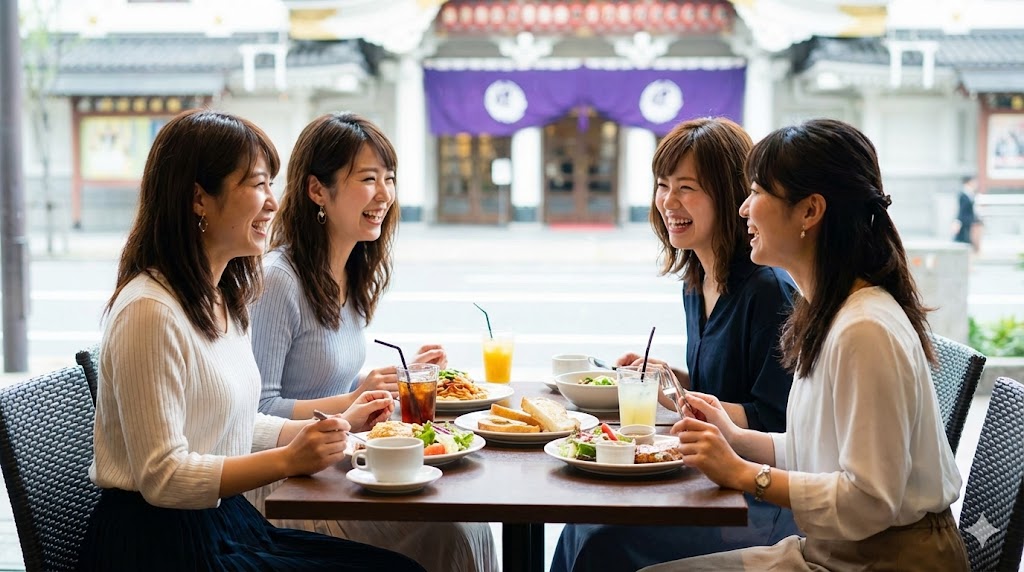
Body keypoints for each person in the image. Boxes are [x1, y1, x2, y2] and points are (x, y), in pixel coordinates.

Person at [79, 109, 423, 571]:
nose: (273, 204)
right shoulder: (150, 310)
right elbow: (163, 477)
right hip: (159, 543)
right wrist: (287, 459)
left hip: (220, 519)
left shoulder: (220, 297)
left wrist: (326, 430)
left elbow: (234, 424)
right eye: (257, 185)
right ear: (199, 198)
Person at [640, 119, 969, 572]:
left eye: (756, 193)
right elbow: (820, 448)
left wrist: (743, 473)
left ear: (810, 212)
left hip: (888, 559)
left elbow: (870, 499)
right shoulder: (830, 311)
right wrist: (737, 438)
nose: (743, 210)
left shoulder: (864, 328)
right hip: (833, 548)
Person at [246, 111, 498, 572]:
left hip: (341, 466)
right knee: (452, 530)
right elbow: (256, 411)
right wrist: (355, 397)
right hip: (289, 488)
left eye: (390, 178)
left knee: (469, 521)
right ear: (317, 190)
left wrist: (395, 379)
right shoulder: (279, 281)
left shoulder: (351, 272)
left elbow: (325, 380)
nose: (384, 194)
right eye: (367, 179)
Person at [552, 117, 799, 572]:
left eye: (687, 188)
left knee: (600, 540)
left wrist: (684, 398)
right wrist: (669, 378)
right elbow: (720, 386)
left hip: (759, 497)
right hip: (711, 473)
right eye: (662, 185)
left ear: (729, 195)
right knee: (581, 525)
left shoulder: (768, 291)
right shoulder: (697, 280)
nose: (668, 201)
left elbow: (776, 419)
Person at [953, 175, 983, 253]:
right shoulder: (963, 194)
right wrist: (958, 221)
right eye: (973, 182)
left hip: (970, 222)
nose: (975, 183)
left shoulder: (971, 193)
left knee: (968, 240)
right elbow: (961, 210)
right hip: (965, 221)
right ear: (968, 182)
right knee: (963, 239)